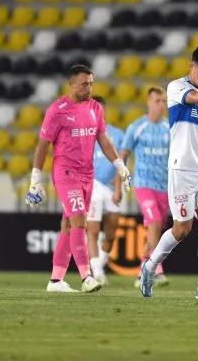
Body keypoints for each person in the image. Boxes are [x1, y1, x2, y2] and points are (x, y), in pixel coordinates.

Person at [26, 65, 132, 294]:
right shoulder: (58, 110)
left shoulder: (95, 107)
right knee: (80, 223)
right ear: (72, 84)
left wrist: (120, 166)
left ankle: (56, 281)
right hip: (66, 173)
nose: (89, 88)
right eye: (85, 84)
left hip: (87, 175)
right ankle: (86, 276)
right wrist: (36, 178)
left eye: (92, 83)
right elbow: (43, 145)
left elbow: (103, 139)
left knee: (67, 225)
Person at [139, 46, 198, 300]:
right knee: (182, 228)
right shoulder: (176, 88)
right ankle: (150, 266)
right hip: (183, 168)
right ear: (192, 66)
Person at [120, 87, 171, 287]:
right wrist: (118, 186)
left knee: (156, 230)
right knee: (155, 222)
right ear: (148, 102)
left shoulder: (169, 127)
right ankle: (157, 269)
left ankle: (143, 269)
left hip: (164, 187)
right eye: (157, 101)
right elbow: (122, 156)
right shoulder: (137, 127)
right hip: (143, 185)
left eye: (164, 101)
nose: (161, 105)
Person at [85, 95, 124, 286]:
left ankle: (99, 264)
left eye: (99, 109)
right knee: (92, 230)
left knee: (111, 231)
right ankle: (98, 272)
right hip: (92, 185)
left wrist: (118, 188)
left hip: (110, 188)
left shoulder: (117, 134)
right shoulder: (84, 133)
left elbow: (120, 162)